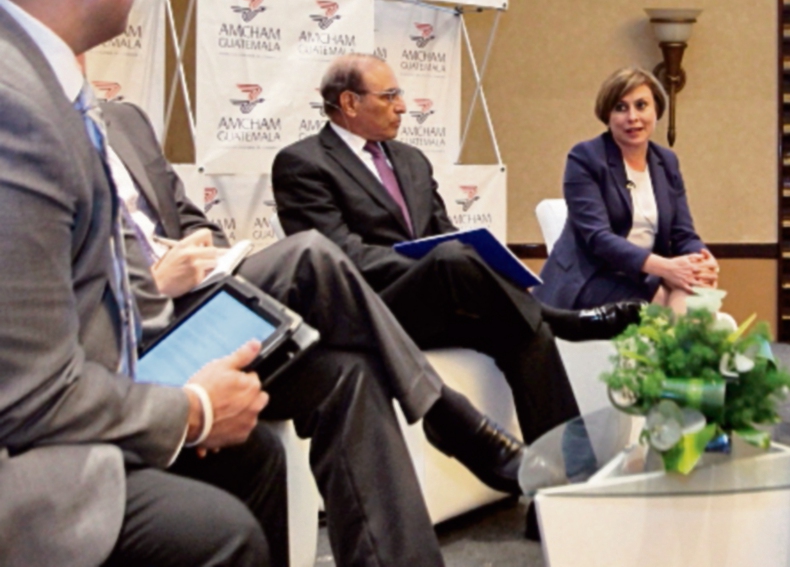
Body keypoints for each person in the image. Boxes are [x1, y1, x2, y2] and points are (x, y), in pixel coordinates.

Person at [100, 95, 531, 565]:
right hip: (136, 337)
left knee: (351, 372)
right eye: (387, 96)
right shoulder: (33, 127)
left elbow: (190, 218)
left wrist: (206, 252)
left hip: (205, 310)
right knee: (308, 254)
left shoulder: (122, 119)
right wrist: (157, 282)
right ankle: (447, 415)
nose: (400, 105)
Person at [0, 0, 271, 567]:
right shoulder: (14, 104)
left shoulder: (39, 74)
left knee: (260, 456)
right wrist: (192, 408)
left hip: (78, 393)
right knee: (222, 535)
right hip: (26, 463)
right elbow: (26, 396)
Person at [271, 54, 639, 453]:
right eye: (389, 95)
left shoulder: (411, 159)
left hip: (438, 301)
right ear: (349, 103)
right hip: (371, 312)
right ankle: (561, 318)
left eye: (400, 95)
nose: (402, 106)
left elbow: (445, 234)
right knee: (450, 259)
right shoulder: (302, 163)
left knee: (527, 335)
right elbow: (339, 255)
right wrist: (430, 263)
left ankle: (564, 479)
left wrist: (469, 267)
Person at [535, 67, 718, 314]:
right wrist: (666, 268)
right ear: (607, 115)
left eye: (641, 105)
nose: (633, 117)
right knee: (665, 302)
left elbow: (683, 233)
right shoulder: (585, 157)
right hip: (591, 277)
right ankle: (678, 350)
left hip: (647, 274)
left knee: (695, 290)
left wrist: (702, 260)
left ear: (656, 111)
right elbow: (599, 239)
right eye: (621, 108)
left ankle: (677, 351)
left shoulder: (666, 162)